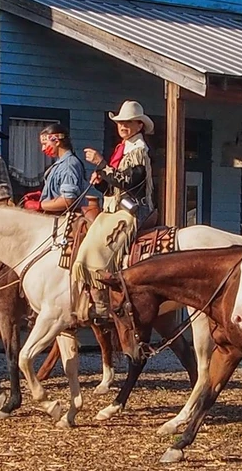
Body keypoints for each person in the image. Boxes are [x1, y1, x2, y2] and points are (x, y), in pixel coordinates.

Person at [72, 100, 155, 321]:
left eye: (128, 122)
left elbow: (128, 182)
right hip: (114, 208)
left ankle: (102, 304)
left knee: (97, 246)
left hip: (130, 211)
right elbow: (114, 185)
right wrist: (100, 182)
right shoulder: (123, 150)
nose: (123, 126)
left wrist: (101, 163)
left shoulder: (139, 151)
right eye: (120, 123)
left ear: (139, 126)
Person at [20, 123, 85, 214]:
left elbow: (68, 200)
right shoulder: (60, 164)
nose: (43, 149)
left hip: (63, 222)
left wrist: (39, 205)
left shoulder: (68, 165)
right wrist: (42, 195)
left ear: (57, 142)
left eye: (45, 144)